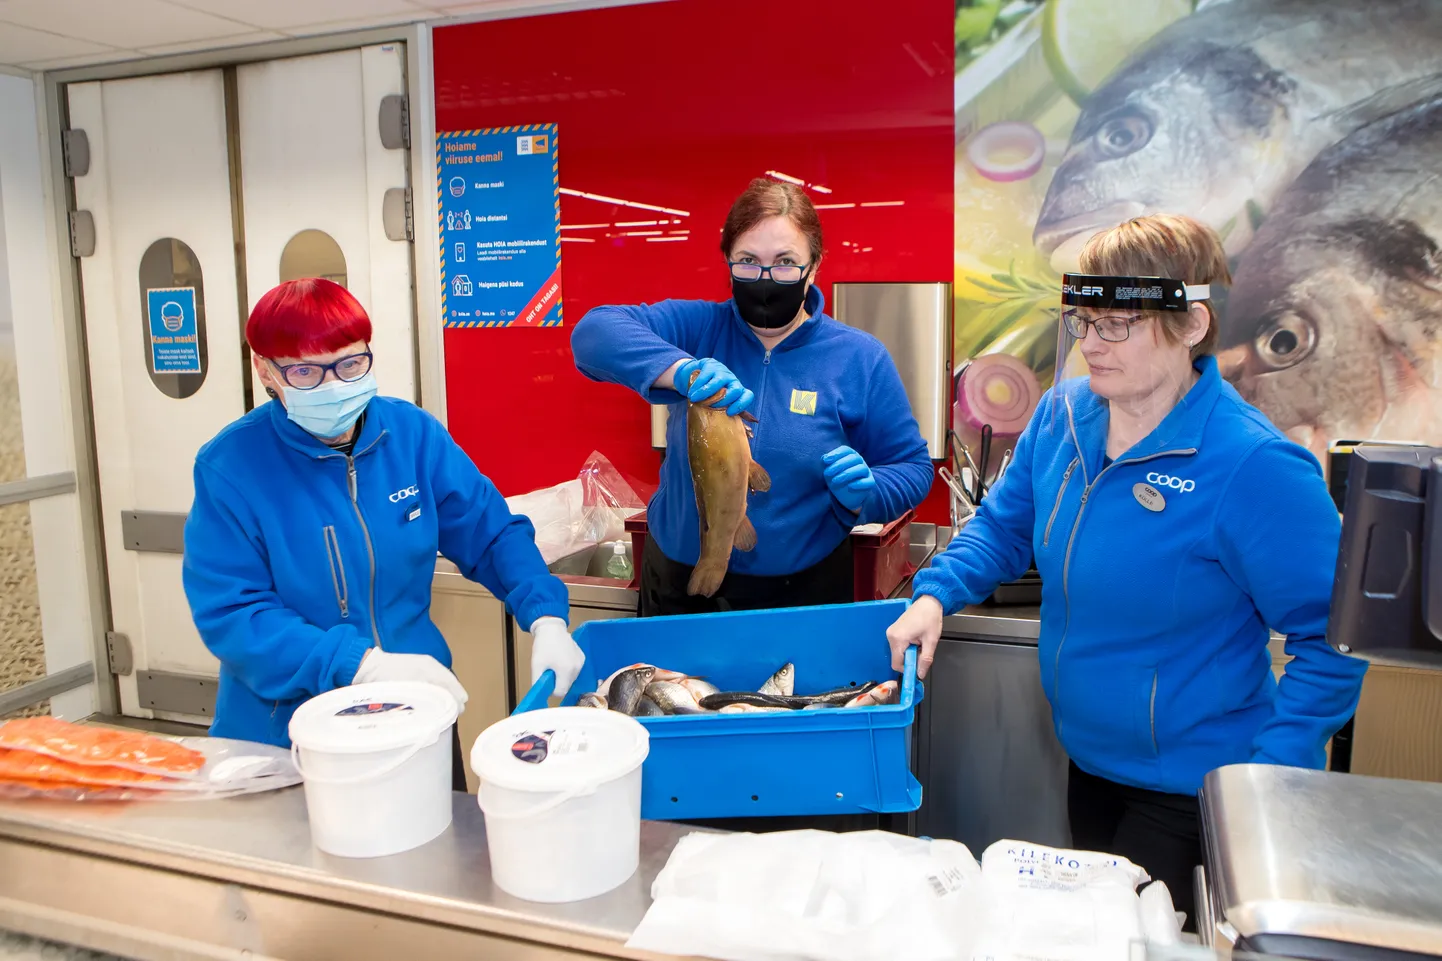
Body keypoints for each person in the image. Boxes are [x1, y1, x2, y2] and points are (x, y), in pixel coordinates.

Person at [885, 214, 1367, 925]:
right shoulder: (1062, 417)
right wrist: (934, 594)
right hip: (1087, 764)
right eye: (1084, 320)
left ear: (1193, 323)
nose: (1091, 344)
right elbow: (1003, 527)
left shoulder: (1253, 466)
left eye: (1119, 324)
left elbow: (1332, 638)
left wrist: (1267, 783)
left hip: (1195, 792)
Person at [182, 279, 585, 790]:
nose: (334, 385)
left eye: (350, 364)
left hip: (414, 721)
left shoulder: (411, 437)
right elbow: (235, 613)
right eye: (305, 371)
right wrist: (360, 665)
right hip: (287, 735)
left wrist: (545, 614)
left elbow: (490, 533)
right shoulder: (231, 468)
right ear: (266, 371)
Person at [571, 178, 933, 615]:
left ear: (814, 265)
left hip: (802, 594)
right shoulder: (698, 329)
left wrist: (869, 493)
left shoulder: (860, 358)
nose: (765, 279)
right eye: (747, 261)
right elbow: (592, 335)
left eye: (784, 262)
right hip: (677, 584)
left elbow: (912, 468)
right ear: (727, 262)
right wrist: (680, 370)